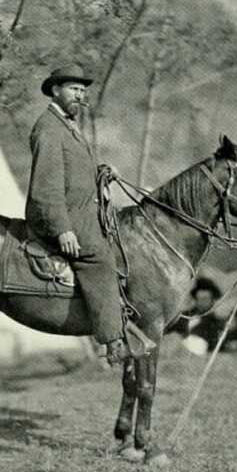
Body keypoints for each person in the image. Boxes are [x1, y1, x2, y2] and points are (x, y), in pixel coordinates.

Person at [25, 64, 152, 366]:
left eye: (82, 91)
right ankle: (113, 341)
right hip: (59, 216)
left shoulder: (68, 126)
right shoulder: (48, 128)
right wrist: (62, 229)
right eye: (73, 89)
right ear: (55, 90)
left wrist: (101, 173)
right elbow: (46, 187)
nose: (80, 96)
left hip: (81, 211)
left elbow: (74, 175)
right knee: (99, 257)